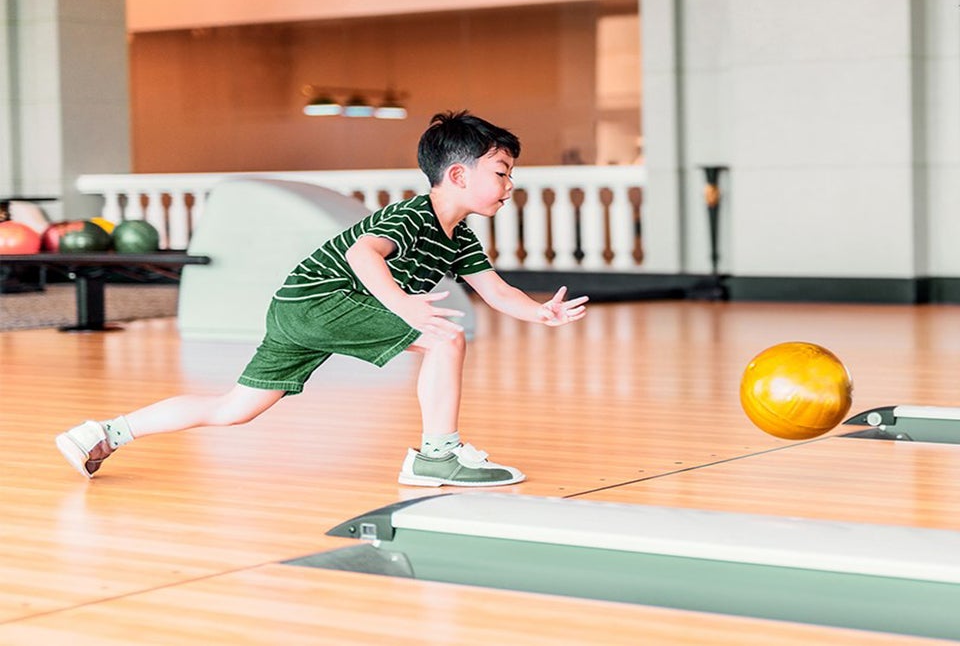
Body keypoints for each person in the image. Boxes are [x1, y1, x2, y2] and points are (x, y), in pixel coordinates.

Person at [55, 110, 588, 487]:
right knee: (444, 338)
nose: (509, 183)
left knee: (233, 409)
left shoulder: (460, 236)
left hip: (295, 310)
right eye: (501, 171)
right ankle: (436, 455)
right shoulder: (410, 216)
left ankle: (102, 434)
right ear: (457, 173)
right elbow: (362, 256)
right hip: (320, 302)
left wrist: (540, 311)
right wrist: (404, 306)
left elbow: (495, 290)